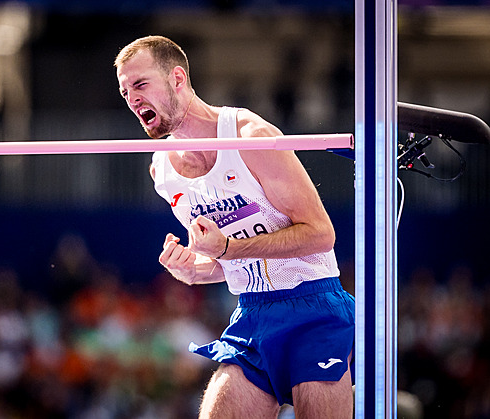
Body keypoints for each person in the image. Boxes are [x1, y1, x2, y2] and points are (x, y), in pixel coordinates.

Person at [114, 35, 355, 418]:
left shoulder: (250, 137)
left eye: (141, 84)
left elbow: (320, 234)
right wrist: (194, 269)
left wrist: (226, 250)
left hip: (314, 308)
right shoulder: (162, 171)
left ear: (178, 79)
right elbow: (226, 260)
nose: (132, 99)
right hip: (252, 314)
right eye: (125, 92)